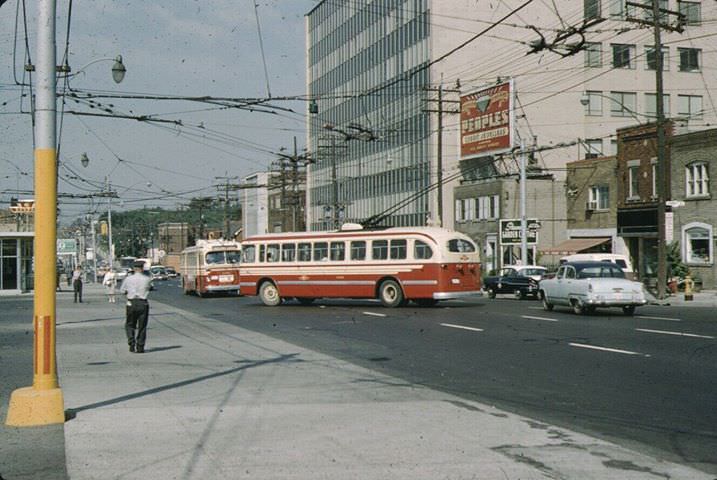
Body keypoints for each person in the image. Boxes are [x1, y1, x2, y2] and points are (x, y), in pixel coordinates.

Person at [120, 260, 153, 353]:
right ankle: (140, 346)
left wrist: (129, 292)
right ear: (142, 269)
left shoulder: (128, 279)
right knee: (142, 326)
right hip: (143, 303)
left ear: (134, 269)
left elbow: (122, 291)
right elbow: (150, 287)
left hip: (131, 303)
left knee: (130, 324)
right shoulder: (147, 279)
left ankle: (131, 342)